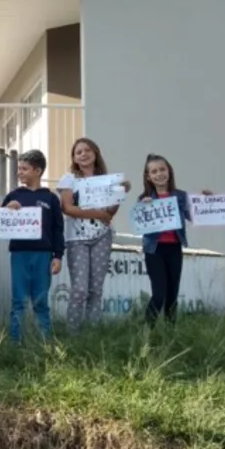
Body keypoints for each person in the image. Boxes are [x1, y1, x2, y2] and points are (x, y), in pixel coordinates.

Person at [56, 137, 130, 331]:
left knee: (96, 290)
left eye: (87, 150)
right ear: (74, 158)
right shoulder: (69, 179)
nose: (84, 154)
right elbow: (68, 208)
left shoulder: (106, 181)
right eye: (78, 152)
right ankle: (72, 334)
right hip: (77, 239)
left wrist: (121, 194)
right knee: (79, 289)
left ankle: (92, 334)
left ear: (95, 153)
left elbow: (109, 214)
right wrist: (98, 214)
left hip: (102, 237)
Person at [138, 153, 212, 326]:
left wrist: (205, 202)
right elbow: (140, 224)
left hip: (174, 248)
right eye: (154, 171)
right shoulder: (145, 199)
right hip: (154, 250)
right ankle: (147, 331)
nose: (159, 174)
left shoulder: (180, 196)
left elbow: (194, 216)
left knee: (172, 293)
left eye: (162, 169)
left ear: (169, 171)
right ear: (148, 177)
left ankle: (171, 333)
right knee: (159, 294)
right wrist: (144, 209)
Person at [0, 150, 65, 342]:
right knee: (19, 301)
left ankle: (44, 343)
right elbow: (2, 222)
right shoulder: (14, 195)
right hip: (19, 254)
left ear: (37, 170)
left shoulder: (51, 199)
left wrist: (58, 256)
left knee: (41, 302)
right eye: (18, 168)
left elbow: (57, 230)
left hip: (43, 255)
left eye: (24, 169)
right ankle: (15, 343)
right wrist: (7, 209)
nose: (19, 172)